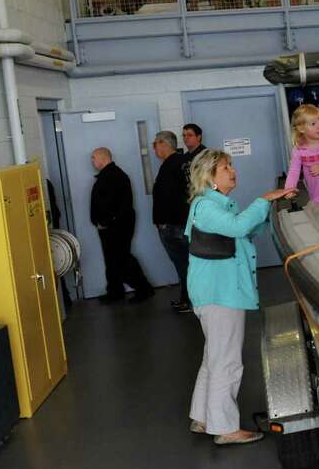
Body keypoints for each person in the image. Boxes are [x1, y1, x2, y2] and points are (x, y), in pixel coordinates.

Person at [185, 149, 295, 445]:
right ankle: (224, 428)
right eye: (225, 167)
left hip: (219, 292)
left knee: (214, 356)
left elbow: (241, 233)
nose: (232, 171)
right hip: (220, 294)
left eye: (231, 166)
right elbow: (237, 227)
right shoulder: (206, 206)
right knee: (227, 360)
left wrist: (270, 213)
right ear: (210, 177)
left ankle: (203, 416)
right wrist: (263, 200)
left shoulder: (217, 205)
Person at [90, 148, 154, 304]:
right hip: (111, 225)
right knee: (112, 258)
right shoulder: (109, 175)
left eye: (93, 158)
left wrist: (105, 221)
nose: (92, 161)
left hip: (116, 226)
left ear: (104, 158)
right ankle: (115, 290)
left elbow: (115, 204)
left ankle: (143, 288)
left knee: (121, 257)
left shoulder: (115, 176)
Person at [152, 131, 192, 314]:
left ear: (163, 144)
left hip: (174, 226)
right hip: (181, 223)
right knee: (186, 265)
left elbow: (170, 198)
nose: (154, 149)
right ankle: (187, 298)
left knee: (184, 265)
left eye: (155, 144)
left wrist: (164, 223)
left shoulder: (171, 166)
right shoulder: (183, 162)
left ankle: (190, 301)